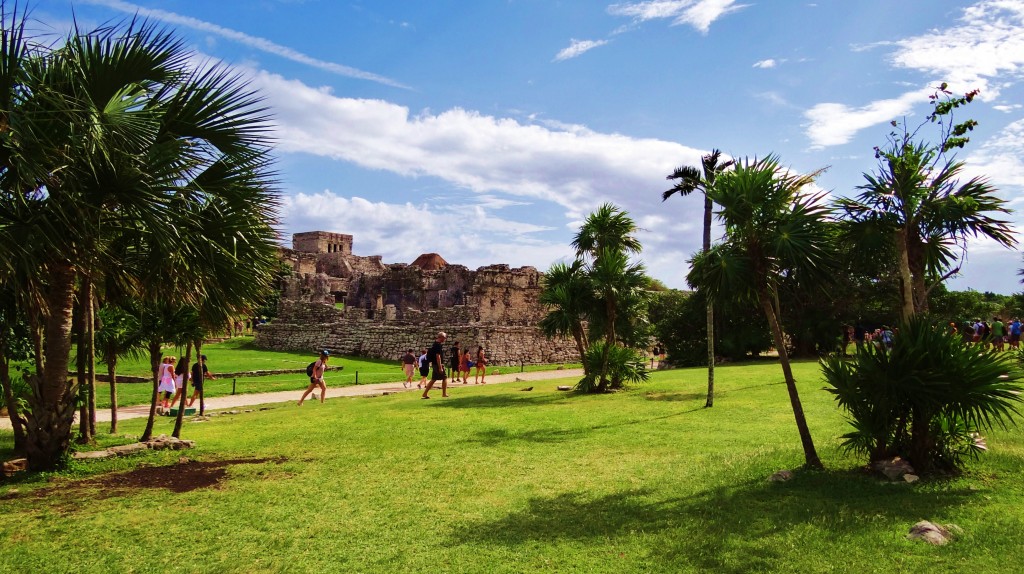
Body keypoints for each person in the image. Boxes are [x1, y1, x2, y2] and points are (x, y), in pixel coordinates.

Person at [422, 332, 448, 399]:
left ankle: (425, 393)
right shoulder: (438, 345)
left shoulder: (434, 344)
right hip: (438, 364)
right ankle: (444, 394)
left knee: (433, 379)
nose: (445, 339)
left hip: (434, 364)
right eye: (444, 337)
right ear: (441, 337)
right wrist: (440, 367)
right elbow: (438, 356)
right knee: (445, 378)